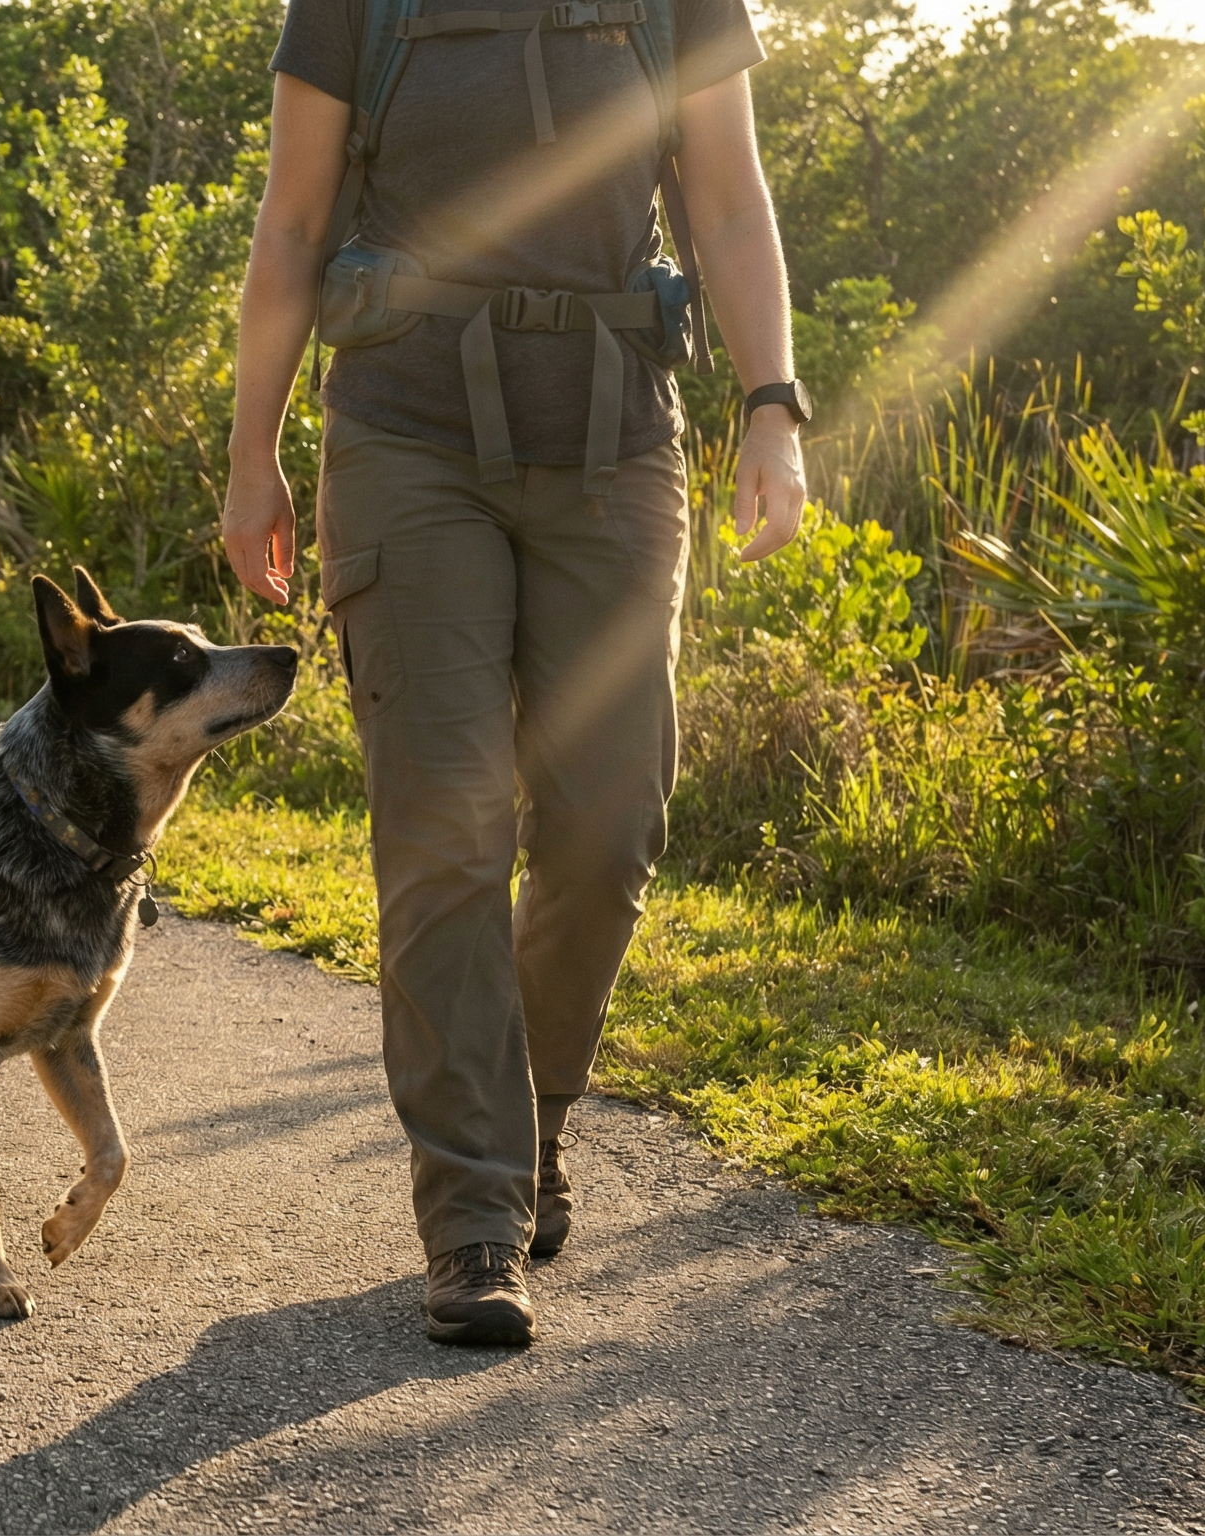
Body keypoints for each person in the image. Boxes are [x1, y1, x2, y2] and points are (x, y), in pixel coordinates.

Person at [222, 0, 808, 1346]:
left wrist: (772, 405)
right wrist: (254, 453)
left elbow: (725, 197)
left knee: (609, 825)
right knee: (446, 821)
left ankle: (530, 1120)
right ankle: (474, 1217)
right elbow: (297, 222)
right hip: (406, 436)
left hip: (614, 435)